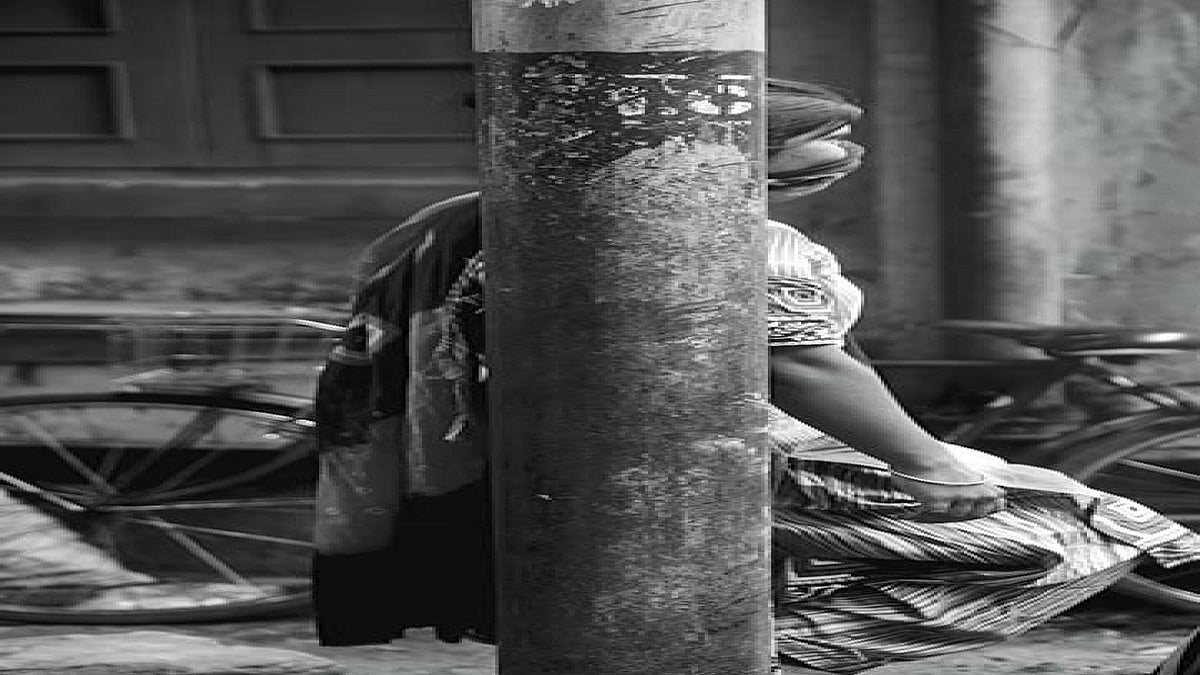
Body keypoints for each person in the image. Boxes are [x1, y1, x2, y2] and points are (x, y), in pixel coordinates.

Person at [312, 78, 1200, 673]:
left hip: (556, 464)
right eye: (822, 139)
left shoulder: (480, 217)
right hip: (727, 459)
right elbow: (802, 364)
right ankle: (740, 659)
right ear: (740, 151)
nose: (844, 153)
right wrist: (925, 461)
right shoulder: (743, 237)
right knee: (1085, 536)